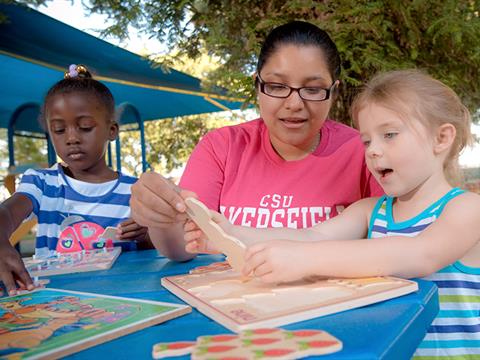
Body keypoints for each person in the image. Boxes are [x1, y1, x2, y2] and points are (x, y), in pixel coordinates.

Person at [185, 69, 480, 358]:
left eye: (389, 135)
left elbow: (419, 254)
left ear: (441, 138)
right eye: (366, 141)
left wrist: (304, 260)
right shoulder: (370, 211)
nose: (373, 151)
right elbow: (312, 236)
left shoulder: (467, 209)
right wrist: (231, 233)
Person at [130, 21, 382, 260]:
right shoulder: (221, 147)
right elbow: (183, 247)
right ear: (258, 86)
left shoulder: (365, 152)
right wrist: (160, 216)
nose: (294, 104)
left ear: (334, 93)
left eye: (313, 89)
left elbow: (395, 241)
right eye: (276, 86)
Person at [0, 64, 150, 296]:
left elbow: (156, 251)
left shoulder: (135, 191)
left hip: (119, 302)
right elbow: (8, 213)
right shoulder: (43, 184)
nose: (71, 138)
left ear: (111, 130)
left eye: (85, 127)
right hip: (53, 304)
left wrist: (146, 236)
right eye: (59, 130)